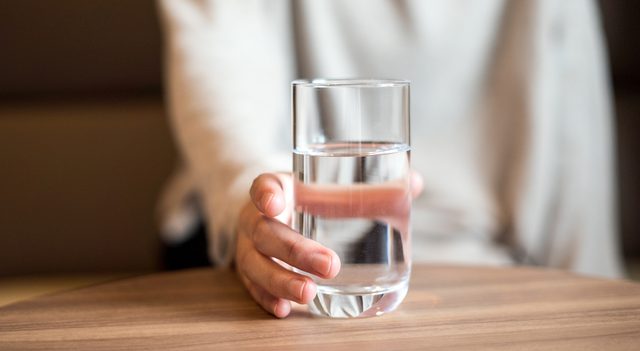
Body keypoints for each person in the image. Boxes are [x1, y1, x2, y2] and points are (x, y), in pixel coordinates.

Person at [157, 0, 622, 318]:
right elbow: (220, 58)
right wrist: (256, 202)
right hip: (258, 250)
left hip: (484, 265)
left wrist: (595, 302)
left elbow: (574, 163)